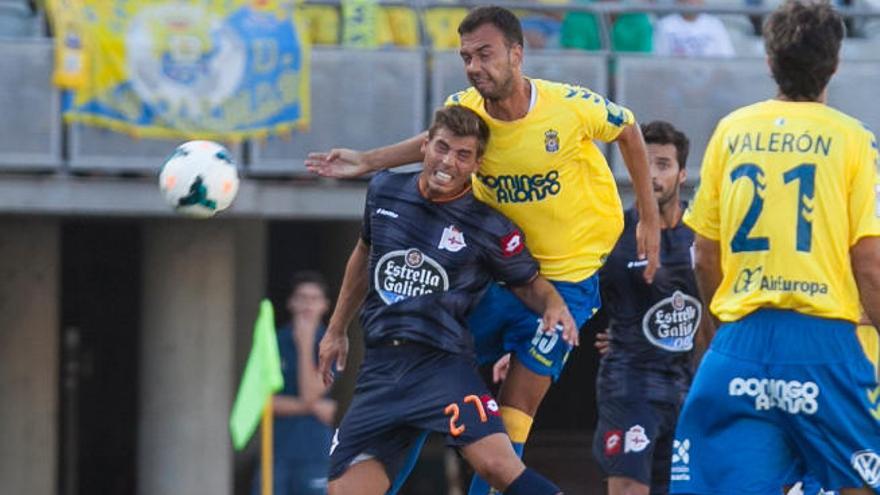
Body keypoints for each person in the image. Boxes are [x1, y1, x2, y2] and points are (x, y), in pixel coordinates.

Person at [306, 7, 661, 493]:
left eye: (485, 54)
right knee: (421, 372)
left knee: (511, 420)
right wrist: (368, 160)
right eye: (466, 56)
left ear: (517, 53)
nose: (474, 66)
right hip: (497, 275)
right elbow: (435, 142)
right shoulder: (466, 111)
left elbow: (629, 130)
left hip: (565, 282)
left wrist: (649, 216)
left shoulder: (569, 106)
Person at [671, 1, 880, 493]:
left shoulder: (732, 129)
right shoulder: (854, 140)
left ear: (769, 61)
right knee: (858, 480)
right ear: (834, 63)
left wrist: (723, 332)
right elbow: (868, 262)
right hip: (822, 341)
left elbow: (703, 253)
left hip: (739, 343)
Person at [317, 105, 573, 495]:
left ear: (477, 164)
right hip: (381, 372)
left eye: (462, 155)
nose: (448, 162)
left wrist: (553, 304)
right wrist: (336, 329)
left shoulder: (490, 226)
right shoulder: (384, 189)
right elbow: (363, 254)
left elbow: (529, 283)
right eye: (442, 148)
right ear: (425, 146)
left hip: (441, 367)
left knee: (497, 467)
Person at [590, 121, 711, 495]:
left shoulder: (705, 236)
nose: (653, 175)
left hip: (691, 390)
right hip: (630, 386)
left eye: (663, 165)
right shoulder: (613, 233)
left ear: (682, 174)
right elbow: (571, 292)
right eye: (645, 164)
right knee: (628, 488)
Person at [251, 271, 337, 495]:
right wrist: (313, 407)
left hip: (315, 451)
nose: (308, 304)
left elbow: (311, 392)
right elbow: (262, 403)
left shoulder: (332, 344)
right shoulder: (272, 341)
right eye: (302, 297)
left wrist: (306, 342)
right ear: (291, 303)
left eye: (314, 298)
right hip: (276, 451)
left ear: (325, 305)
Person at [653, 0, 735, 57]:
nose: (691, 2)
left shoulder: (715, 25)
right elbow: (660, 62)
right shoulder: (665, 25)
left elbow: (727, 59)